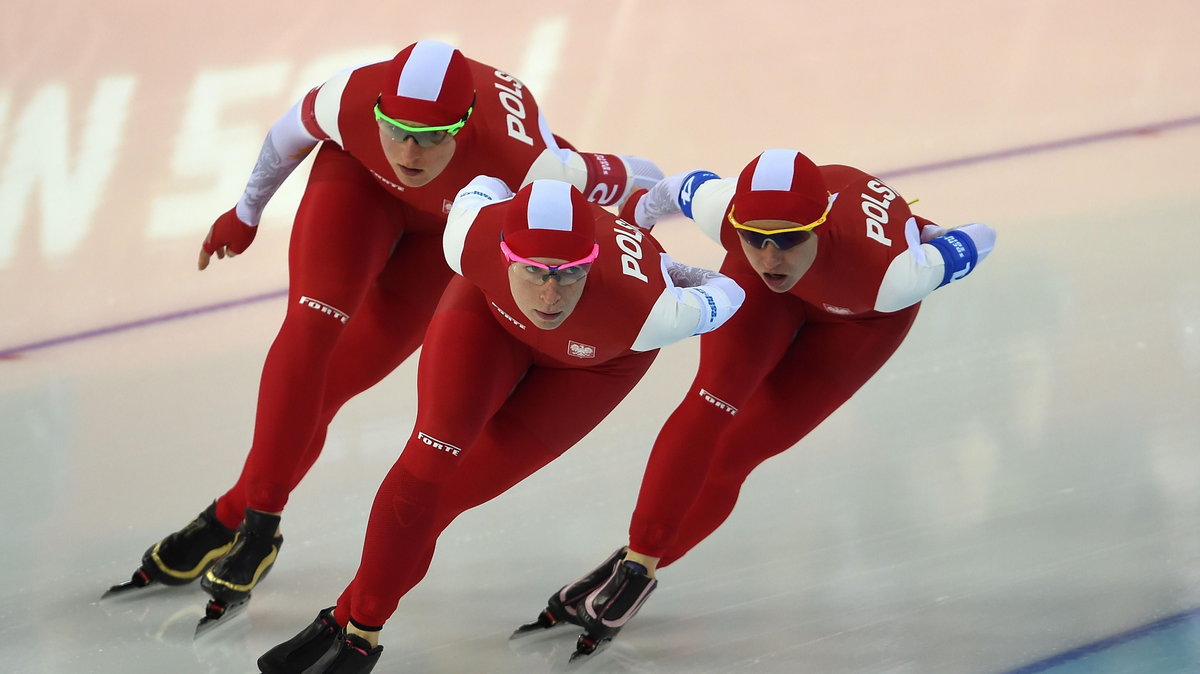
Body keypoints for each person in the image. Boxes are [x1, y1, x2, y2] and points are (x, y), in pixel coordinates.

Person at [107, 40, 664, 622]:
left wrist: (657, 228)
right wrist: (245, 212)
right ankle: (255, 529)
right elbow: (284, 137)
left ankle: (227, 516)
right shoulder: (349, 97)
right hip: (357, 187)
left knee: (334, 386)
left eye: (431, 137)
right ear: (378, 111)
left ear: (466, 125)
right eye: (396, 130)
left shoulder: (531, 162)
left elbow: (639, 181)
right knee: (310, 329)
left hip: (445, 238)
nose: (408, 152)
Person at [516, 148, 997, 658]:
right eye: (755, 239)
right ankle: (635, 567)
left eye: (788, 240)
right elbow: (661, 195)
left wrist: (942, 246)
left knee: (737, 454)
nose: (770, 258)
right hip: (768, 300)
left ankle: (635, 565)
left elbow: (983, 235)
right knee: (711, 402)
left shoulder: (894, 275)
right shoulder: (721, 209)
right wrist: (635, 226)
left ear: (822, 227)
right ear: (737, 224)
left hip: (860, 318)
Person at [255, 176, 744, 673]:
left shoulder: (657, 311)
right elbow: (487, 182)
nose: (550, 294)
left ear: (592, 261)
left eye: (569, 273)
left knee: (448, 499)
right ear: (505, 254)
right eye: (533, 270)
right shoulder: (467, 236)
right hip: (489, 321)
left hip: (594, 368)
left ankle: (345, 622)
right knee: (426, 463)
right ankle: (360, 634)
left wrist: (675, 273)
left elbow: (731, 292)